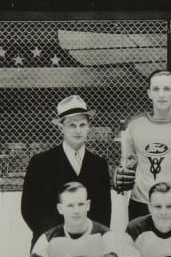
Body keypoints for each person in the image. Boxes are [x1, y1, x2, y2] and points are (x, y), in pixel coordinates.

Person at [112, 70, 171, 221]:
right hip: (142, 204)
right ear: (149, 93)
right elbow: (126, 166)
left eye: (167, 89)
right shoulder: (135, 125)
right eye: (156, 89)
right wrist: (121, 176)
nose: (161, 95)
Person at [20, 95, 112, 245]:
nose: (78, 131)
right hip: (50, 244)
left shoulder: (99, 164)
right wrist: (59, 240)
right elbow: (30, 209)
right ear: (61, 127)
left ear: (89, 127)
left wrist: (89, 239)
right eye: (72, 125)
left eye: (82, 125)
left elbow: (103, 213)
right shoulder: (40, 163)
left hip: (88, 244)